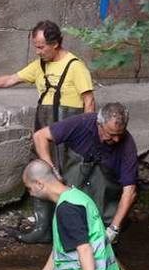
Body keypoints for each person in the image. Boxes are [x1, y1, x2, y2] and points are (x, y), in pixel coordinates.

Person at [0, 20, 95, 243]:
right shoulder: (39, 66)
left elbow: (89, 103)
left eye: (41, 46)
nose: (37, 51)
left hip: (70, 133)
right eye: (36, 46)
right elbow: (10, 79)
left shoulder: (76, 67)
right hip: (44, 129)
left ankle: (72, 233)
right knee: (41, 174)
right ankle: (42, 229)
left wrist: (88, 139)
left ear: (56, 44)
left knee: (70, 179)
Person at [33, 102, 138, 244]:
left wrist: (113, 229)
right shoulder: (82, 123)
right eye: (111, 135)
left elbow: (130, 191)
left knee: (101, 231)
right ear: (99, 124)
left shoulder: (127, 145)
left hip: (102, 204)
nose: (116, 139)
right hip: (72, 190)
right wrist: (51, 170)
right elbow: (40, 136)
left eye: (120, 134)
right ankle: (45, 229)